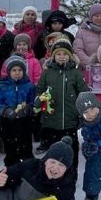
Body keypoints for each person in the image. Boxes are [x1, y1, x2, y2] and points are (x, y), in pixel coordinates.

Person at [35, 39, 88, 172]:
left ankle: (71, 171)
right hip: (51, 119)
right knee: (53, 149)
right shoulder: (47, 72)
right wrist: (41, 98)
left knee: (71, 148)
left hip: (70, 119)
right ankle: (52, 172)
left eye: (65, 54)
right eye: (59, 54)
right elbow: (40, 90)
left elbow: (83, 91)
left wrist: (82, 110)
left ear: (69, 56)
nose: (62, 56)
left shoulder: (75, 72)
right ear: (53, 56)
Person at [0, 55, 36, 166]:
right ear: (8, 71)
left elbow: (33, 102)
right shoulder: (1, 86)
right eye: (14, 70)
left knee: (26, 149)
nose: (17, 73)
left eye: (20, 70)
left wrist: (27, 109)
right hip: (8, 123)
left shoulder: (29, 86)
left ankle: (28, 172)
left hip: (24, 122)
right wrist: (5, 110)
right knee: (10, 150)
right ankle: (11, 173)